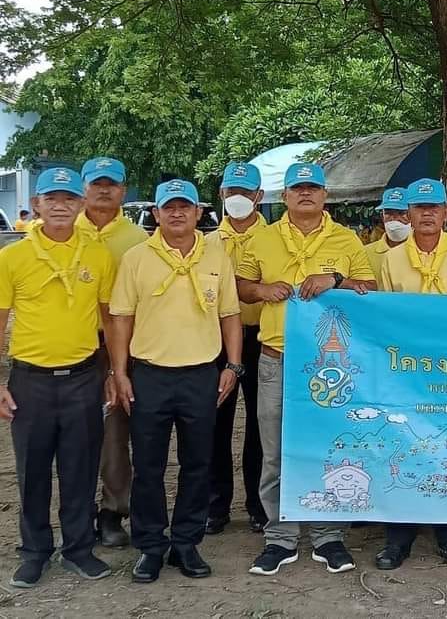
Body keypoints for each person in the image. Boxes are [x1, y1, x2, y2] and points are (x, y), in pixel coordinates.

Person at [236, 162, 376, 577]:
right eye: (297, 188)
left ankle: (328, 535)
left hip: (329, 366)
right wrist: (262, 290)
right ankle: (279, 538)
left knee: (327, 447)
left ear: (324, 195)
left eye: (313, 187)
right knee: (276, 452)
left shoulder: (346, 239)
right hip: (276, 359)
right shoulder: (261, 239)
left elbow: (369, 288)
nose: (305, 193)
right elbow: (241, 286)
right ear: (285, 196)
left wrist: (335, 278)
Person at [108, 179, 243, 583]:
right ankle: (150, 546)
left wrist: (233, 366)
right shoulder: (136, 258)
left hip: (201, 374)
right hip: (150, 374)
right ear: (156, 214)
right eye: (169, 207)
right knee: (148, 466)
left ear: (199, 213)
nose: (178, 213)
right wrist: (120, 373)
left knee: (197, 463)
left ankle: (186, 542)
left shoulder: (216, 255)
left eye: (185, 206)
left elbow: (230, 315)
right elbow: (121, 318)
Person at [0, 168, 117, 588]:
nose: (61, 206)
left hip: (83, 377)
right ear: (37, 205)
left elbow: (109, 319)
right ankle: (34, 552)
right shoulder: (12, 257)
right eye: (52, 198)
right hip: (29, 380)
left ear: (81, 204)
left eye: (69, 199)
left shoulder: (98, 255)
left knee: (80, 468)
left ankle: (78, 549)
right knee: (32, 469)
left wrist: (114, 372)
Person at [375, 178, 447, 570]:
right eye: (419, 208)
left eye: (434, 207)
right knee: (401, 444)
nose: (426, 214)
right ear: (408, 213)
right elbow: (381, 316)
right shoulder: (391, 260)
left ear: (446, 213)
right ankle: (397, 538)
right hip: (406, 370)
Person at [76, 156, 149, 549]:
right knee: (72, 434)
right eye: (96, 183)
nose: (104, 190)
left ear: (123, 190)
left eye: (112, 184)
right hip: (70, 346)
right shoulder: (61, 230)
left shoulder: (138, 240)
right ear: (84, 187)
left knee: (114, 433)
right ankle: (75, 512)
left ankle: (112, 511)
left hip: (118, 346)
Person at [204, 162, 270, 535]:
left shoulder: (276, 239)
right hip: (215, 340)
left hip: (263, 338)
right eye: (233, 192)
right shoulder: (206, 243)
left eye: (246, 192)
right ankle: (216, 506)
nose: (238, 199)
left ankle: (259, 505)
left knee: (261, 425)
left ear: (259, 196)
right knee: (216, 422)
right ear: (222, 194)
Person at [364, 187, 410, 284]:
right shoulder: (366, 253)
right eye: (389, 213)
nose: (395, 218)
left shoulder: (421, 251)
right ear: (382, 216)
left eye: (401, 213)